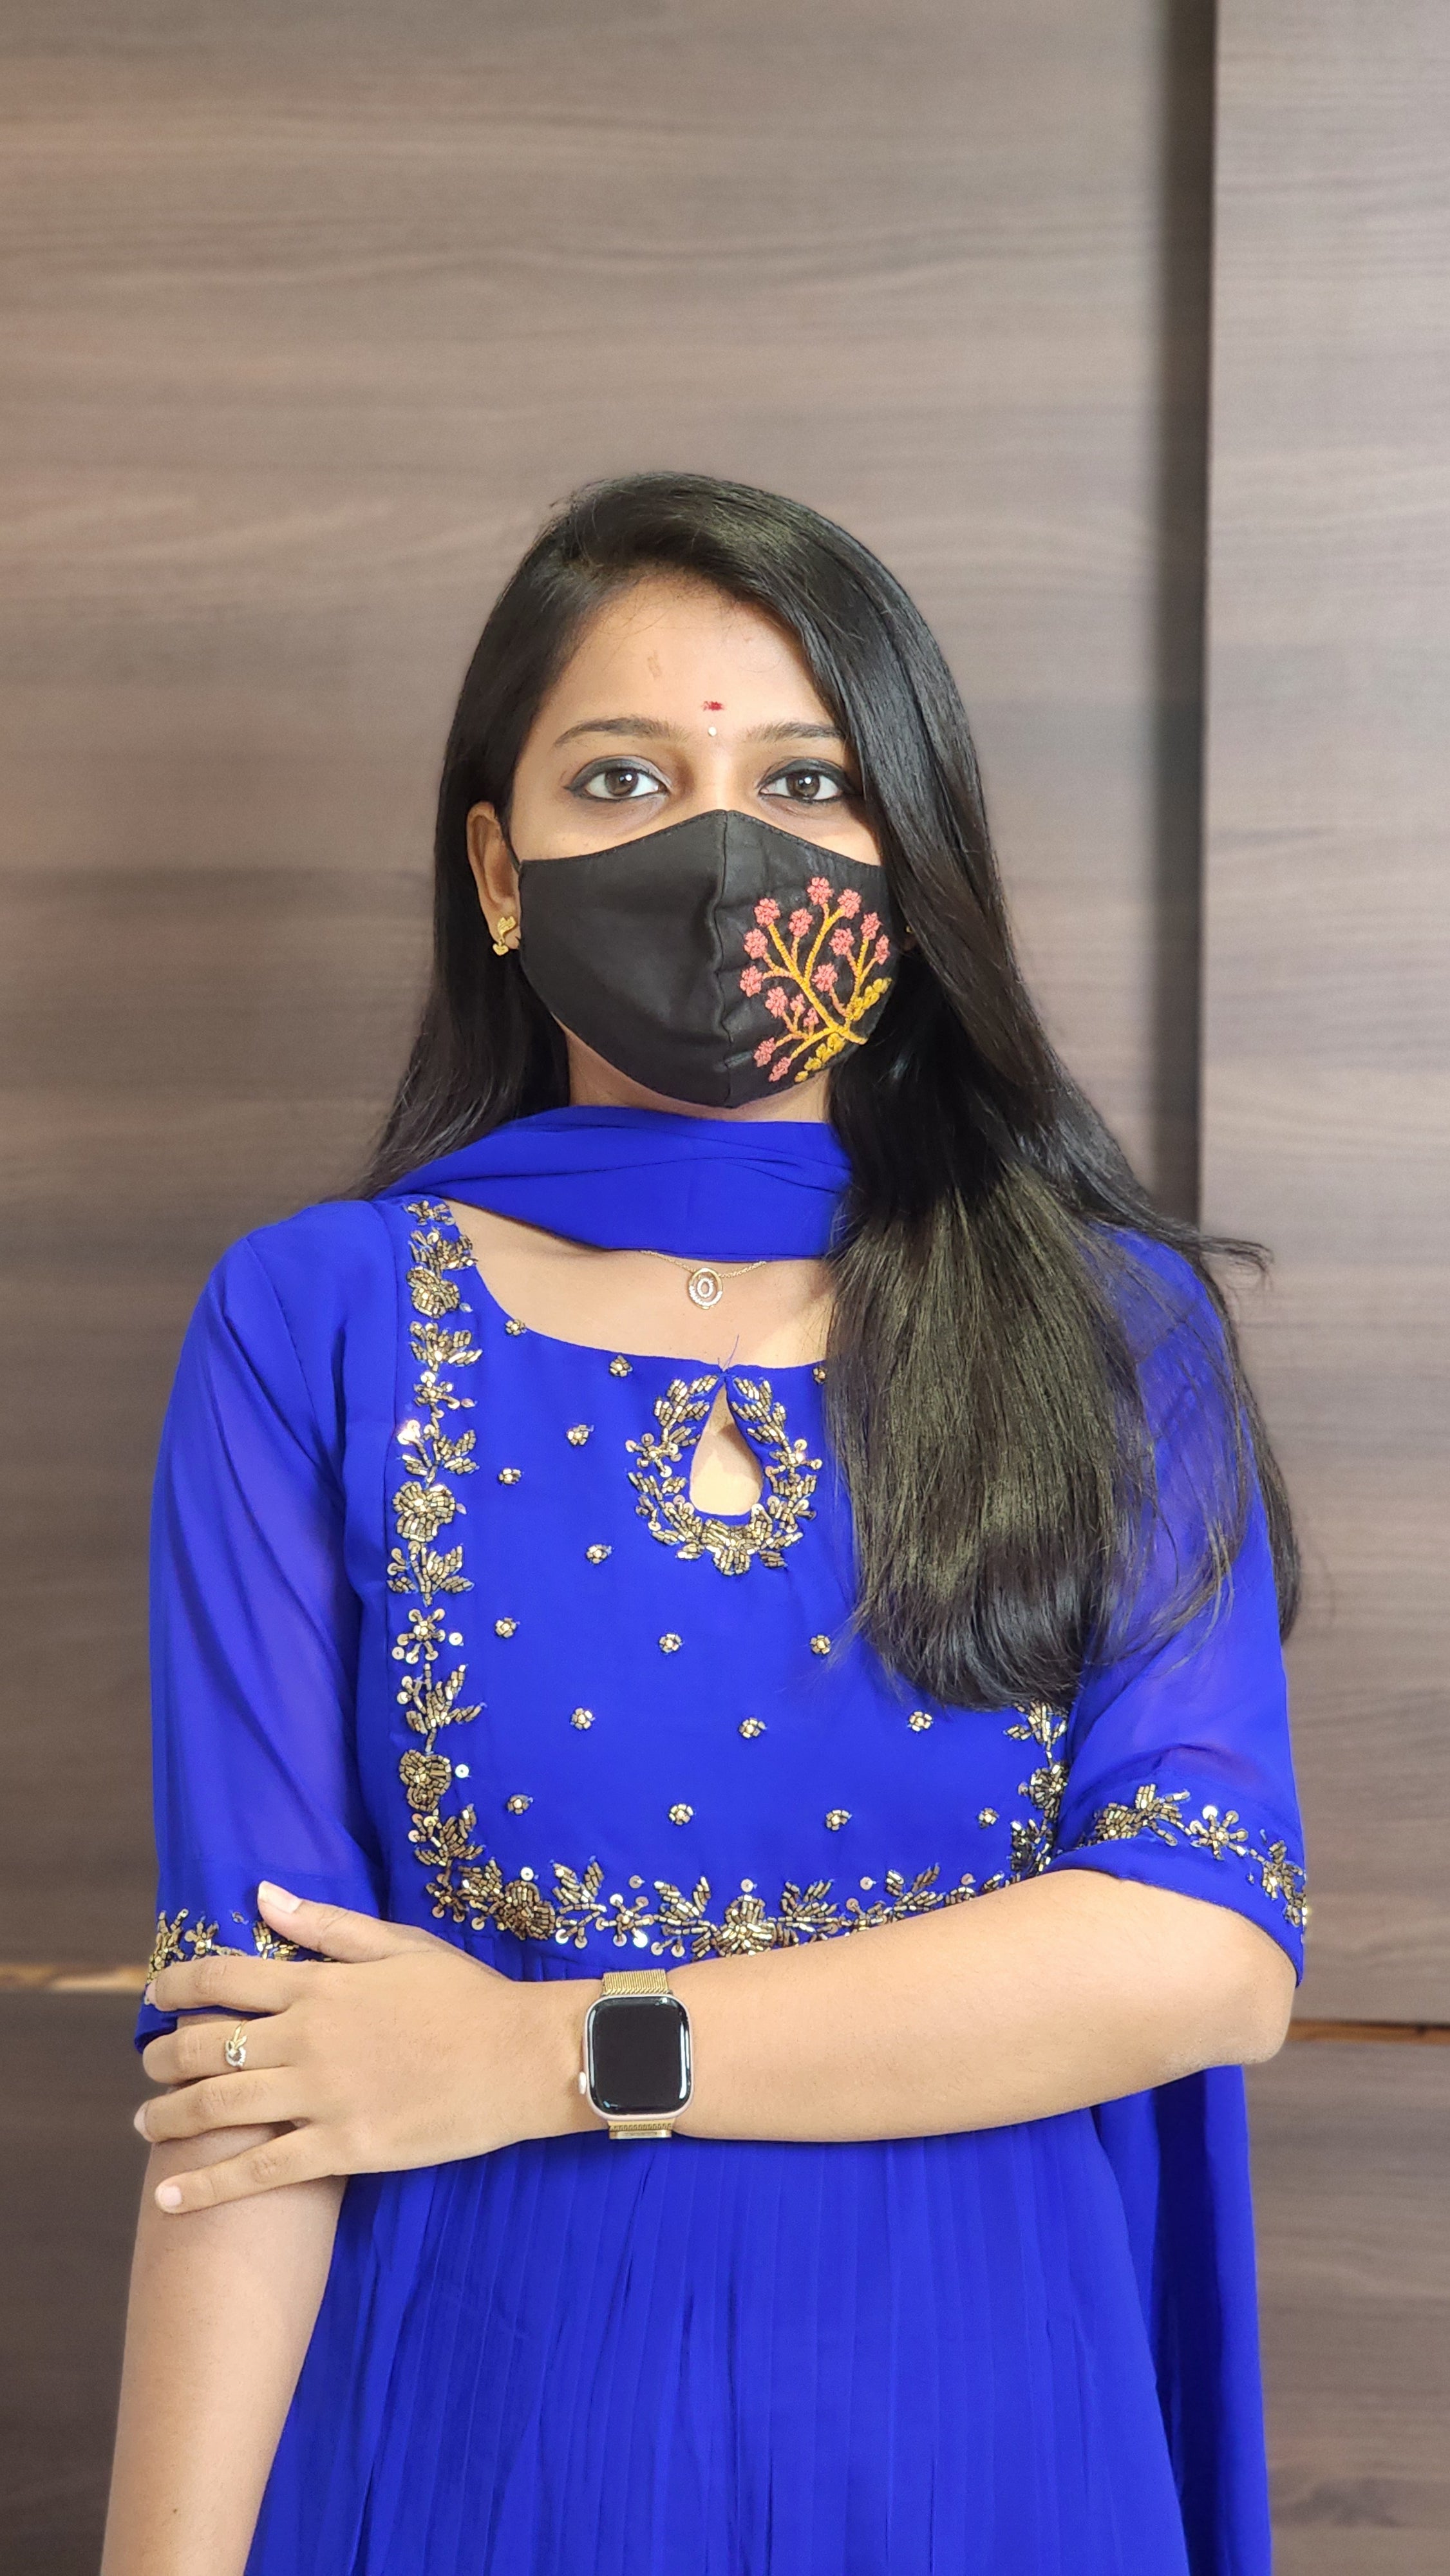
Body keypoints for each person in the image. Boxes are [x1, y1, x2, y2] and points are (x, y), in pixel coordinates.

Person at [102, 472, 1307, 2576]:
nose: (718, 848)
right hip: (471, 2454)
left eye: (805, 782)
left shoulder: (1104, 1331)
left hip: (987, 2457)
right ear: (500, 869)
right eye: (623, 777)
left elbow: (1198, 1951)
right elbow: (252, 2076)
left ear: (907, 857)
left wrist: (539, 2052)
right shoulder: (317, 1323)